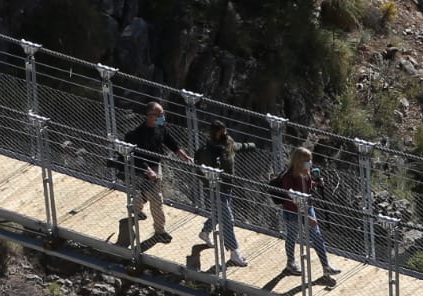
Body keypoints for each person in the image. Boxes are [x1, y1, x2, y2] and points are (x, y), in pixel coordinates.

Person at [121, 101, 189, 242]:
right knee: (157, 199)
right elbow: (136, 157)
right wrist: (148, 171)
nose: (162, 117)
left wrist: (184, 156)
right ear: (150, 116)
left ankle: (134, 207)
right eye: (160, 114)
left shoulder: (160, 126)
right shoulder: (138, 135)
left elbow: (170, 142)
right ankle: (160, 230)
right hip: (144, 169)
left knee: (148, 193)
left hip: (156, 165)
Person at [268, 146, 337, 284]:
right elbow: (294, 200)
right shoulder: (289, 177)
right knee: (292, 237)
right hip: (293, 212)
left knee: (317, 237)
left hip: (308, 208)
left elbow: (307, 188)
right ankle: (290, 263)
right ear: (299, 161)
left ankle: (326, 266)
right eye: (307, 160)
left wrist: (316, 183)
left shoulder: (306, 173)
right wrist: (307, 217)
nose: (310, 163)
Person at [194, 121, 255, 267]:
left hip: (227, 188)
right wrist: (208, 183)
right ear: (215, 133)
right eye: (222, 131)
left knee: (219, 213)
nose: (225, 133)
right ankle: (234, 252)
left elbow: (236, 147)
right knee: (228, 220)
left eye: (225, 130)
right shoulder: (207, 151)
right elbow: (199, 169)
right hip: (215, 190)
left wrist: (251, 146)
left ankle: (205, 232)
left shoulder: (228, 142)